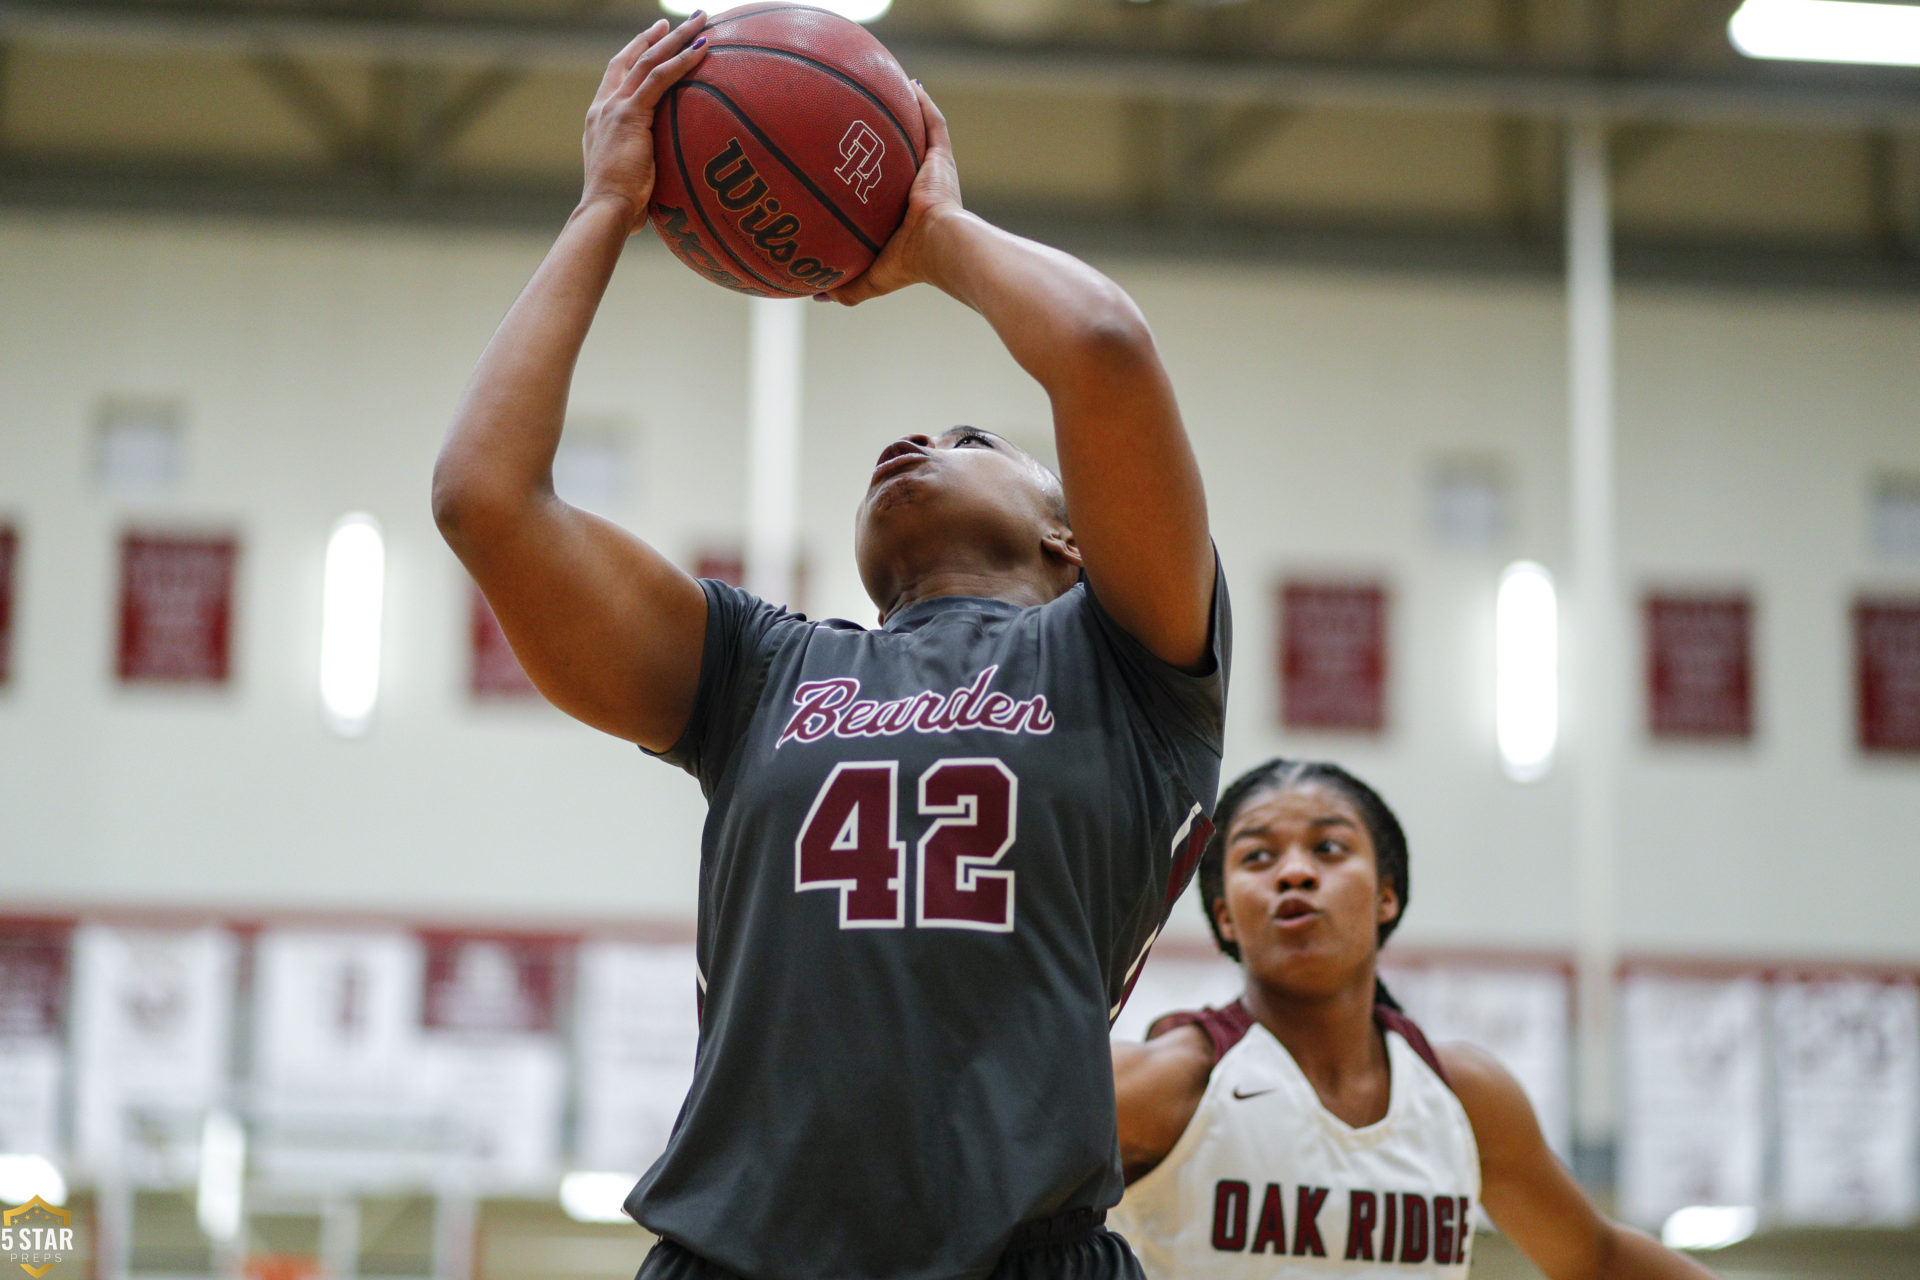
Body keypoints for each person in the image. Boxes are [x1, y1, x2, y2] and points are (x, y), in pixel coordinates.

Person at [432, 14, 1229, 1280]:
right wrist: (604, 208)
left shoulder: (1132, 664)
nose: (916, 441)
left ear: (1072, 538)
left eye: (973, 435)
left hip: (1020, 1254)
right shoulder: (760, 671)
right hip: (739, 1255)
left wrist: (935, 240)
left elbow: (1104, 350)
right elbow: (486, 497)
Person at [1109, 759, 1718, 1279]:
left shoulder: (1467, 1095)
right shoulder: (1166, 1082)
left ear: (1386, 895)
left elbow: (1598, 1258)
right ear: (1224, 917)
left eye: (1329, 847)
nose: (1293, 872)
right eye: (1258, 856)